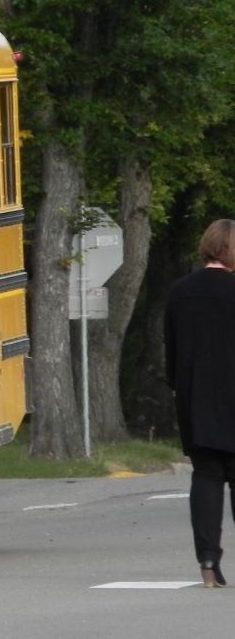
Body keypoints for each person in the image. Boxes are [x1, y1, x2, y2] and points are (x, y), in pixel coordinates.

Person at [164, 218, 235, 588]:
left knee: (206, 479)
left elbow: (172, 350)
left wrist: (178, 386)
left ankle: (208, 561)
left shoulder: (181, 291)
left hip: (196, 402)